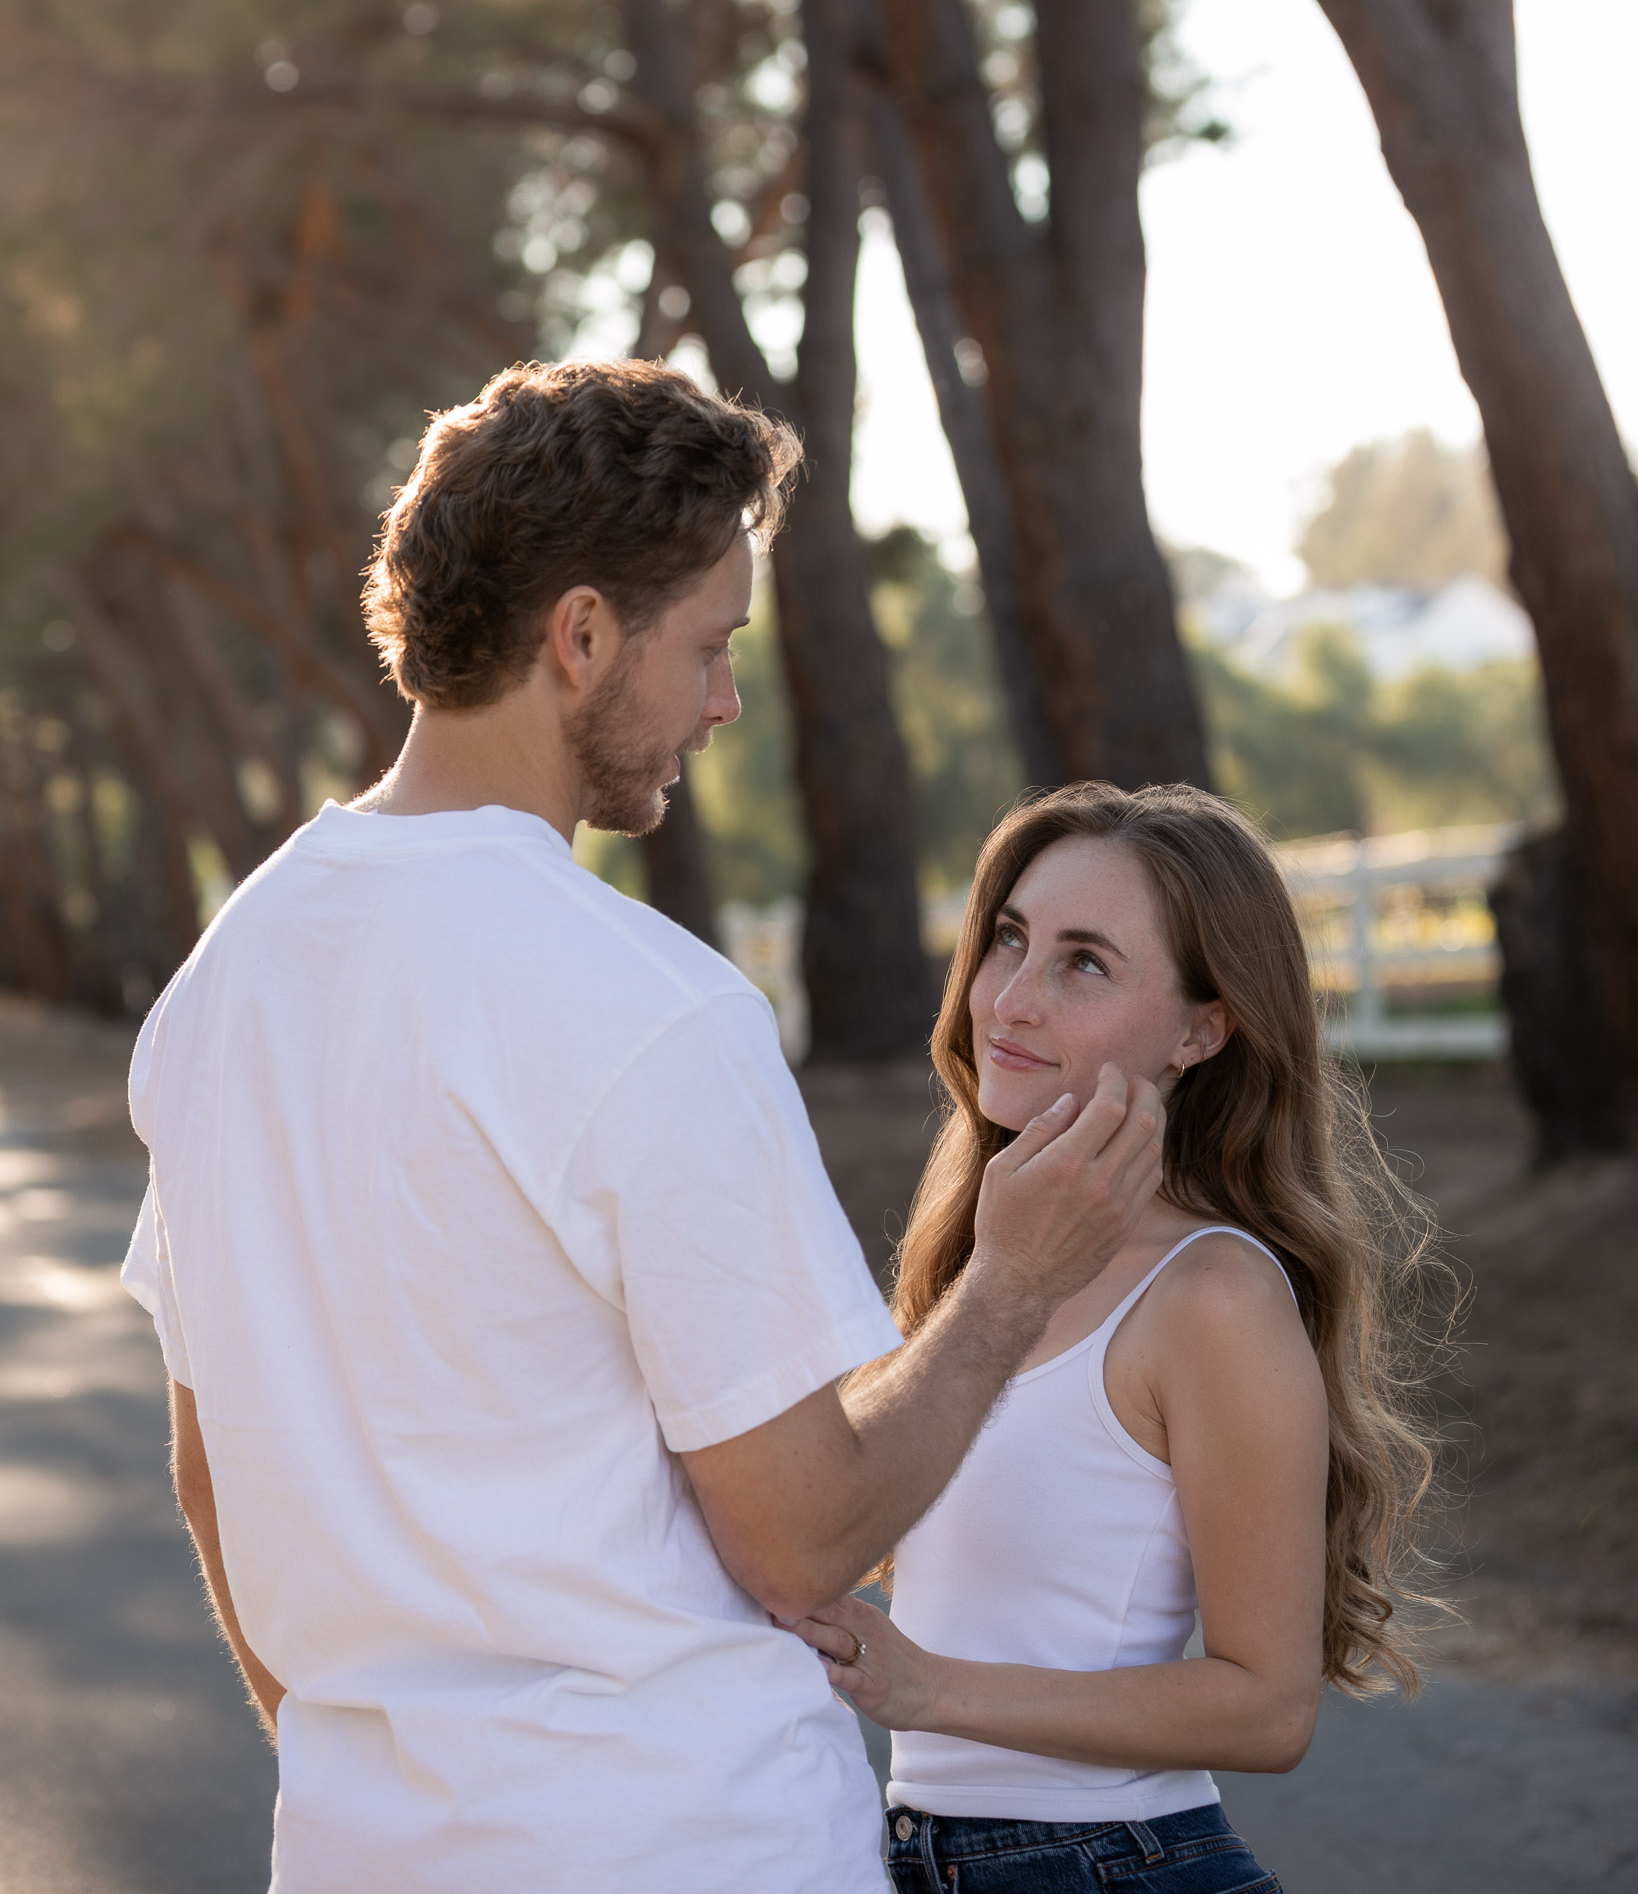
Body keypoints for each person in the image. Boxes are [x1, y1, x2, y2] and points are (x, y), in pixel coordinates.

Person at [119, 360, 1168, 1894]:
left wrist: (386, 1789)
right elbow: (804, 1540)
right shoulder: (650, 1005)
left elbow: (213, 1477)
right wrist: (1013, 1278)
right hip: (689, 1846)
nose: (724, 701)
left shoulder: (223, 983)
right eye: (710, 646)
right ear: (585, 633)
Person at [794, 782, 1450, 1894]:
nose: (1011, 998)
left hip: (1108, 1863)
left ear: (1203, 1027)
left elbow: (1266, 1700)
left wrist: (931, 1687)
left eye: (1083, 961)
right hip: (909, 1853)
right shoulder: (983, 1263)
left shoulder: (1212, 1297)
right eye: (1010, 939)